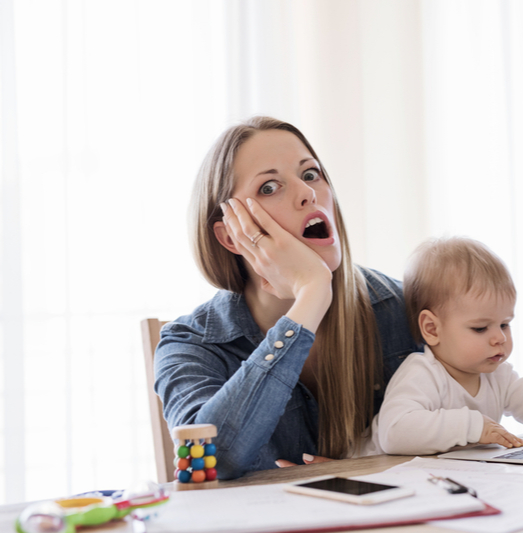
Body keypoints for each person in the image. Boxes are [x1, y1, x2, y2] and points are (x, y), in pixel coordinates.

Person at [154, 117, 419, 479]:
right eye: (269, 187)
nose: (308, 192)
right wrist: (311, 296)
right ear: (231, 236)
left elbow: (477, 435)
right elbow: (213, 460)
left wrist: (367, 471)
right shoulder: (190, 344)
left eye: (310, 174)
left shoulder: (406, 308)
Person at [373, 237, 523, 455]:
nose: (499, 338)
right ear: (432, 329)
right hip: (378, 476)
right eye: (480, 328)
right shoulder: (422, 372)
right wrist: (472, 426)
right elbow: (394, 433)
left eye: (505, 324)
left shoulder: (499, 375)